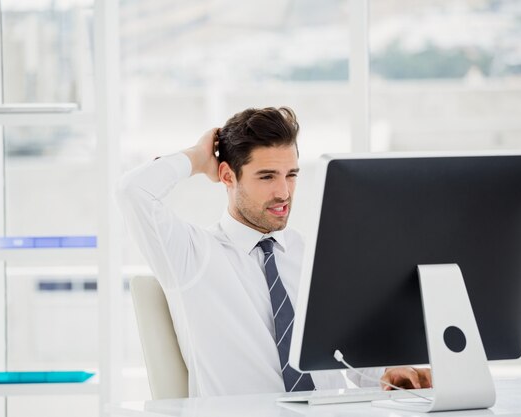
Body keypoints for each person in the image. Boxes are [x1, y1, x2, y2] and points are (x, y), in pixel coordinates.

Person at [117, 106, 431, 397]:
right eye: (267, 176)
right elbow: (133, 191)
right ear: (228, 176)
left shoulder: (312, 255)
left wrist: (389, 372)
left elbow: (349, 349)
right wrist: (199, 158)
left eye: (291, 175)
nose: (283, 192)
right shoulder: (192, 256)